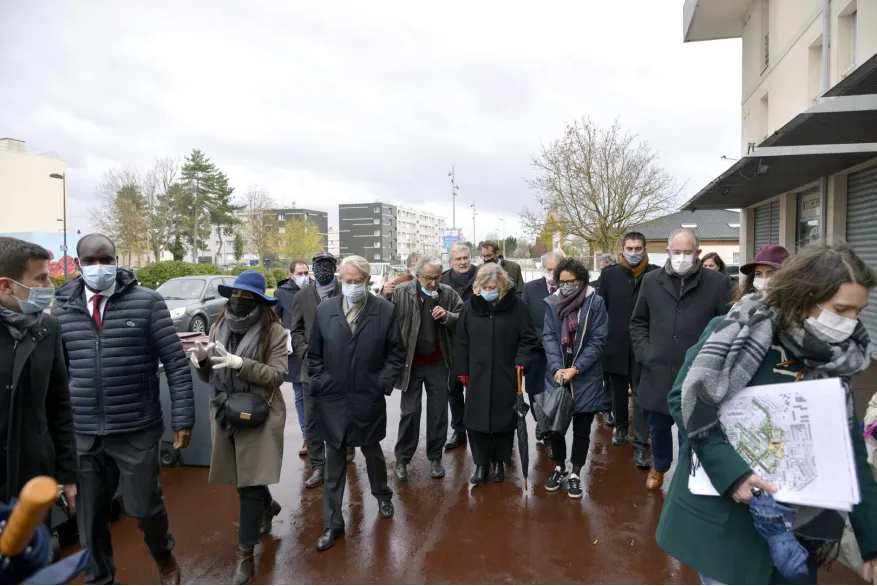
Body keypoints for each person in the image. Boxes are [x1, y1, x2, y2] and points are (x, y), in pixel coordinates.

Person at [656, 243, 877, 585]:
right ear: (805, 298)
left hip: (800, 532)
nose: (851, 325)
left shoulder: (835, 358)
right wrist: (734, 475)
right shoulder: (735, 331)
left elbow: (851, 453)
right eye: (841, 310)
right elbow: (684, 401)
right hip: (727, 525)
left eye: (858, 312)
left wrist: (872, 542)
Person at [52, 233, 193, 585]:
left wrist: (183, 417)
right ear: (78, 265)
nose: (99, 267)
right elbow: (57, 376)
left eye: (106, 260)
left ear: (117, 260)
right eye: (91, 261)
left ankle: (164, 557)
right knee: (90, 519)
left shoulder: (147, 302)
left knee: (146, 508)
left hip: (136, 429)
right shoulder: (63, 308)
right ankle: (100, 579)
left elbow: (175, 363)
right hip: (83, 434)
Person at [190, 270, 287, 585]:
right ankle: (268, 505)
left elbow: (276, 375)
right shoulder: (218, 325)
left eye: (247, 296)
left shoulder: (273, 331)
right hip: (225, 412)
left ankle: (245, 556)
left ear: (258, 301)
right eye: (235, 294)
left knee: (247, 485)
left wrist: (240, 364)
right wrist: (203, 362)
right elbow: (210, 376)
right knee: (245, 476)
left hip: (257, 413)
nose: (239, 300)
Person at [308, 255, 405, 552]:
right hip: (333, 399)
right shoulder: (325, 311)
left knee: (372, 452)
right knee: (334, 461)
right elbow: (314, 355)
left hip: (367, 397)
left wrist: (381, 384)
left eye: (357, 281)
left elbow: (395, 355)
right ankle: (332, 524)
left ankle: (383, 496)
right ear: (340, 279)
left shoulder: (385, 311)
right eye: (346, 281)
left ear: (367, 281)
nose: (351, 286)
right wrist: (322, 381)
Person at [629, 229, 733, 491]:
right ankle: (660, 466)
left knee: (693, 431)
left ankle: (688, 474)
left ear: (698, 253)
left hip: (697, 374)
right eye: (677, 252)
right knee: (659, 429)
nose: (682, 257)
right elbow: (638, 321)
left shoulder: (718, 284)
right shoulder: (651, 281)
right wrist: (645, 353)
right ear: (668, 252)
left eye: (687, 252)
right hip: (658, 371)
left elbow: (727, 327)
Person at [0, 237, 76, 511]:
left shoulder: (49, 328)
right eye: (41, 278)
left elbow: (59, 406)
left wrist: (67, 474)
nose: (49, 287)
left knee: (36, 553)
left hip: (33, 482)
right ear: (6, 285)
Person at [454, 263, 538, 486]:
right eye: (485, 286)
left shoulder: (518, 307)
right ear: (478, 286)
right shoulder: (469, 308)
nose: (489, 290)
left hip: (506, 372)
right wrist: (462, 370)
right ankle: (481, 464)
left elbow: (528, 338)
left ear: (502, 286)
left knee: (505, 419)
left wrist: (522, 361)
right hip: (477, 375)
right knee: (476, 420)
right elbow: (461, 342)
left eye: (493, 286)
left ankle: (500, 461)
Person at [392, 255, 463, 481]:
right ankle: (402, 459)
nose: (432, 283)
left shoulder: (448, 293)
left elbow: (463, 318)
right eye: (427, 278)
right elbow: (386, 318)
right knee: (410, 412)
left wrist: (448, 316)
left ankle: (435, 457)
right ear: (417, 275)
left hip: (438, 364)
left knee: (438, 412)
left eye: (436, 278)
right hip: (410, 364)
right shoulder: (401, 292)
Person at [541, 258, 608, 499]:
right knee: (555, 428)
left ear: (582, 280)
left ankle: (576, 472)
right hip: (558, 373)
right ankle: (559, 467)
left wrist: (576, 368)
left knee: (582, 428)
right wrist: (558, 368)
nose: (567, 286)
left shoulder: (595, 303)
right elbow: (548, 336)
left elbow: (598, 340)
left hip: (586, 375)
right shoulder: (551, 303)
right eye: (563, 281)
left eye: (572, 281)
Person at [290, 251, 353, 489]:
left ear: (334, 268)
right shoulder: (302, 296)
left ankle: (347, 448)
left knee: (343, 413)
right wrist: (306, 351)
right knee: (313, 418)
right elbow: (295, 330)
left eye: (328, 265)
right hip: (311, 370)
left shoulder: (345, 291)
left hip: (341, 367)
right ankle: (319, 466)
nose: (323, 269)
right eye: (319, 265)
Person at [597, 232, 660, 468]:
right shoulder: (610, 275)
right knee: (619, 392)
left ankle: (642, 444)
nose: (634, 253)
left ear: (645, 249)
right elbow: (600, 309)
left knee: (643, 396)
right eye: (629, 249)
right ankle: (621, 427)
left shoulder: (655, 274)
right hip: (615, 345)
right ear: (621, 249)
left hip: (645, 346)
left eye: (638, 249)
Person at [522, 250, 565, 447]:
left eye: (556, 270)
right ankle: (541, 421)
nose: (552, 273)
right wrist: (541, 338)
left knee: (556, 391)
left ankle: (551, 428)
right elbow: (525, 318)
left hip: (561, 349)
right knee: (535, 390)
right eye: (549, 269)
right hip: (537, 350)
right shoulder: (530, 288)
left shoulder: (570, 288)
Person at [440, 245, 478, 450]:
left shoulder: (481, 277)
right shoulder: (442, 280)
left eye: (466, 258)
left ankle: (478, 428)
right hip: (450, 341)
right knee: (452, 388)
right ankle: (459, 430)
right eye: (458, 259)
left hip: (476, 341)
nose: (463, 262)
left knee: (476, 387)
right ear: (450, 262)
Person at [273, 260, 311, 457]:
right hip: (294, 352)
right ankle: (307, 438)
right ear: (291, 275)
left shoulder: (314, 289)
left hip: (314, 349)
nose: (304, 276)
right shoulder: (281, 293)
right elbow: (273, 318)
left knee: (316, 395)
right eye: (300, 273)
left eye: (306, 272)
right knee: (299, 395)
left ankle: (319, 435)